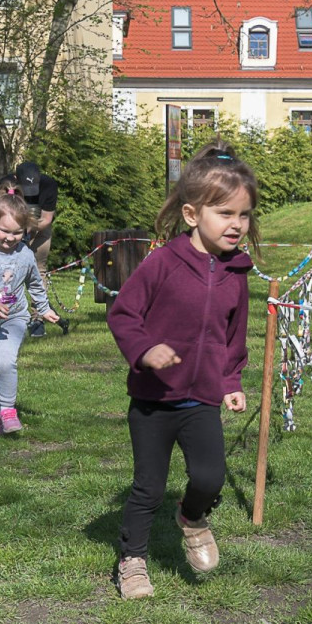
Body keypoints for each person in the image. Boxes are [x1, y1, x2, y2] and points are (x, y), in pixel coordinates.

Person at [106, 142, 257, 599]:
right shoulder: (163, 263)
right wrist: (144, 350)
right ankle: (132, 560)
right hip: (153, 400)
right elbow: (123, 314)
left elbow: (234, 334)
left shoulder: (237, 274)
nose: (236, 224)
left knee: (210, 478)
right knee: (148, 488)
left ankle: (191, 517)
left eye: (244, 215)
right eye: (225, 213)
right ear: (192, 214)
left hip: (202, 399)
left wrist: (230, 381)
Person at [0, 192, 61, 436]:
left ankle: (8, 410)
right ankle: (0, 413)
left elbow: (35, 283)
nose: (10, 238)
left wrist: (44, 309)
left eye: (17, 233)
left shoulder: (25, 255)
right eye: (5, 231)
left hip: (15, 318)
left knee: (5, 361)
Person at [0, 162, 63, 338]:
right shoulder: (5, 184)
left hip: (37, 226)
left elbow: (46, 219)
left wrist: (25, 230)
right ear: (16, 179)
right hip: (10, 226)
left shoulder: (49, 185)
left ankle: (37, 317)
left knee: (37, 269)